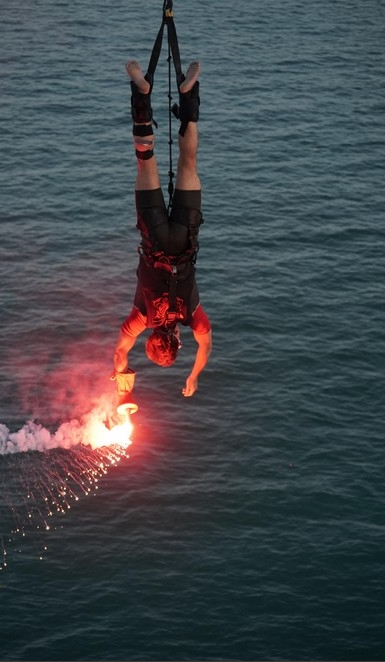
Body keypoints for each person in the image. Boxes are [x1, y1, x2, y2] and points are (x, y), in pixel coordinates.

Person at [112, 58, 212, 410]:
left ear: (176, 342)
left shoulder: (192, 318)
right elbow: (120, 351)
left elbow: (206, 345)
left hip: (185, 235)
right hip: (154, 234)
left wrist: (194, 376)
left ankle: (189, 97)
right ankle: (141, 95)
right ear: (152, 337)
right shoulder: (141, 319)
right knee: (145, 157)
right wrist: (123, 386)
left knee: (189, 161)